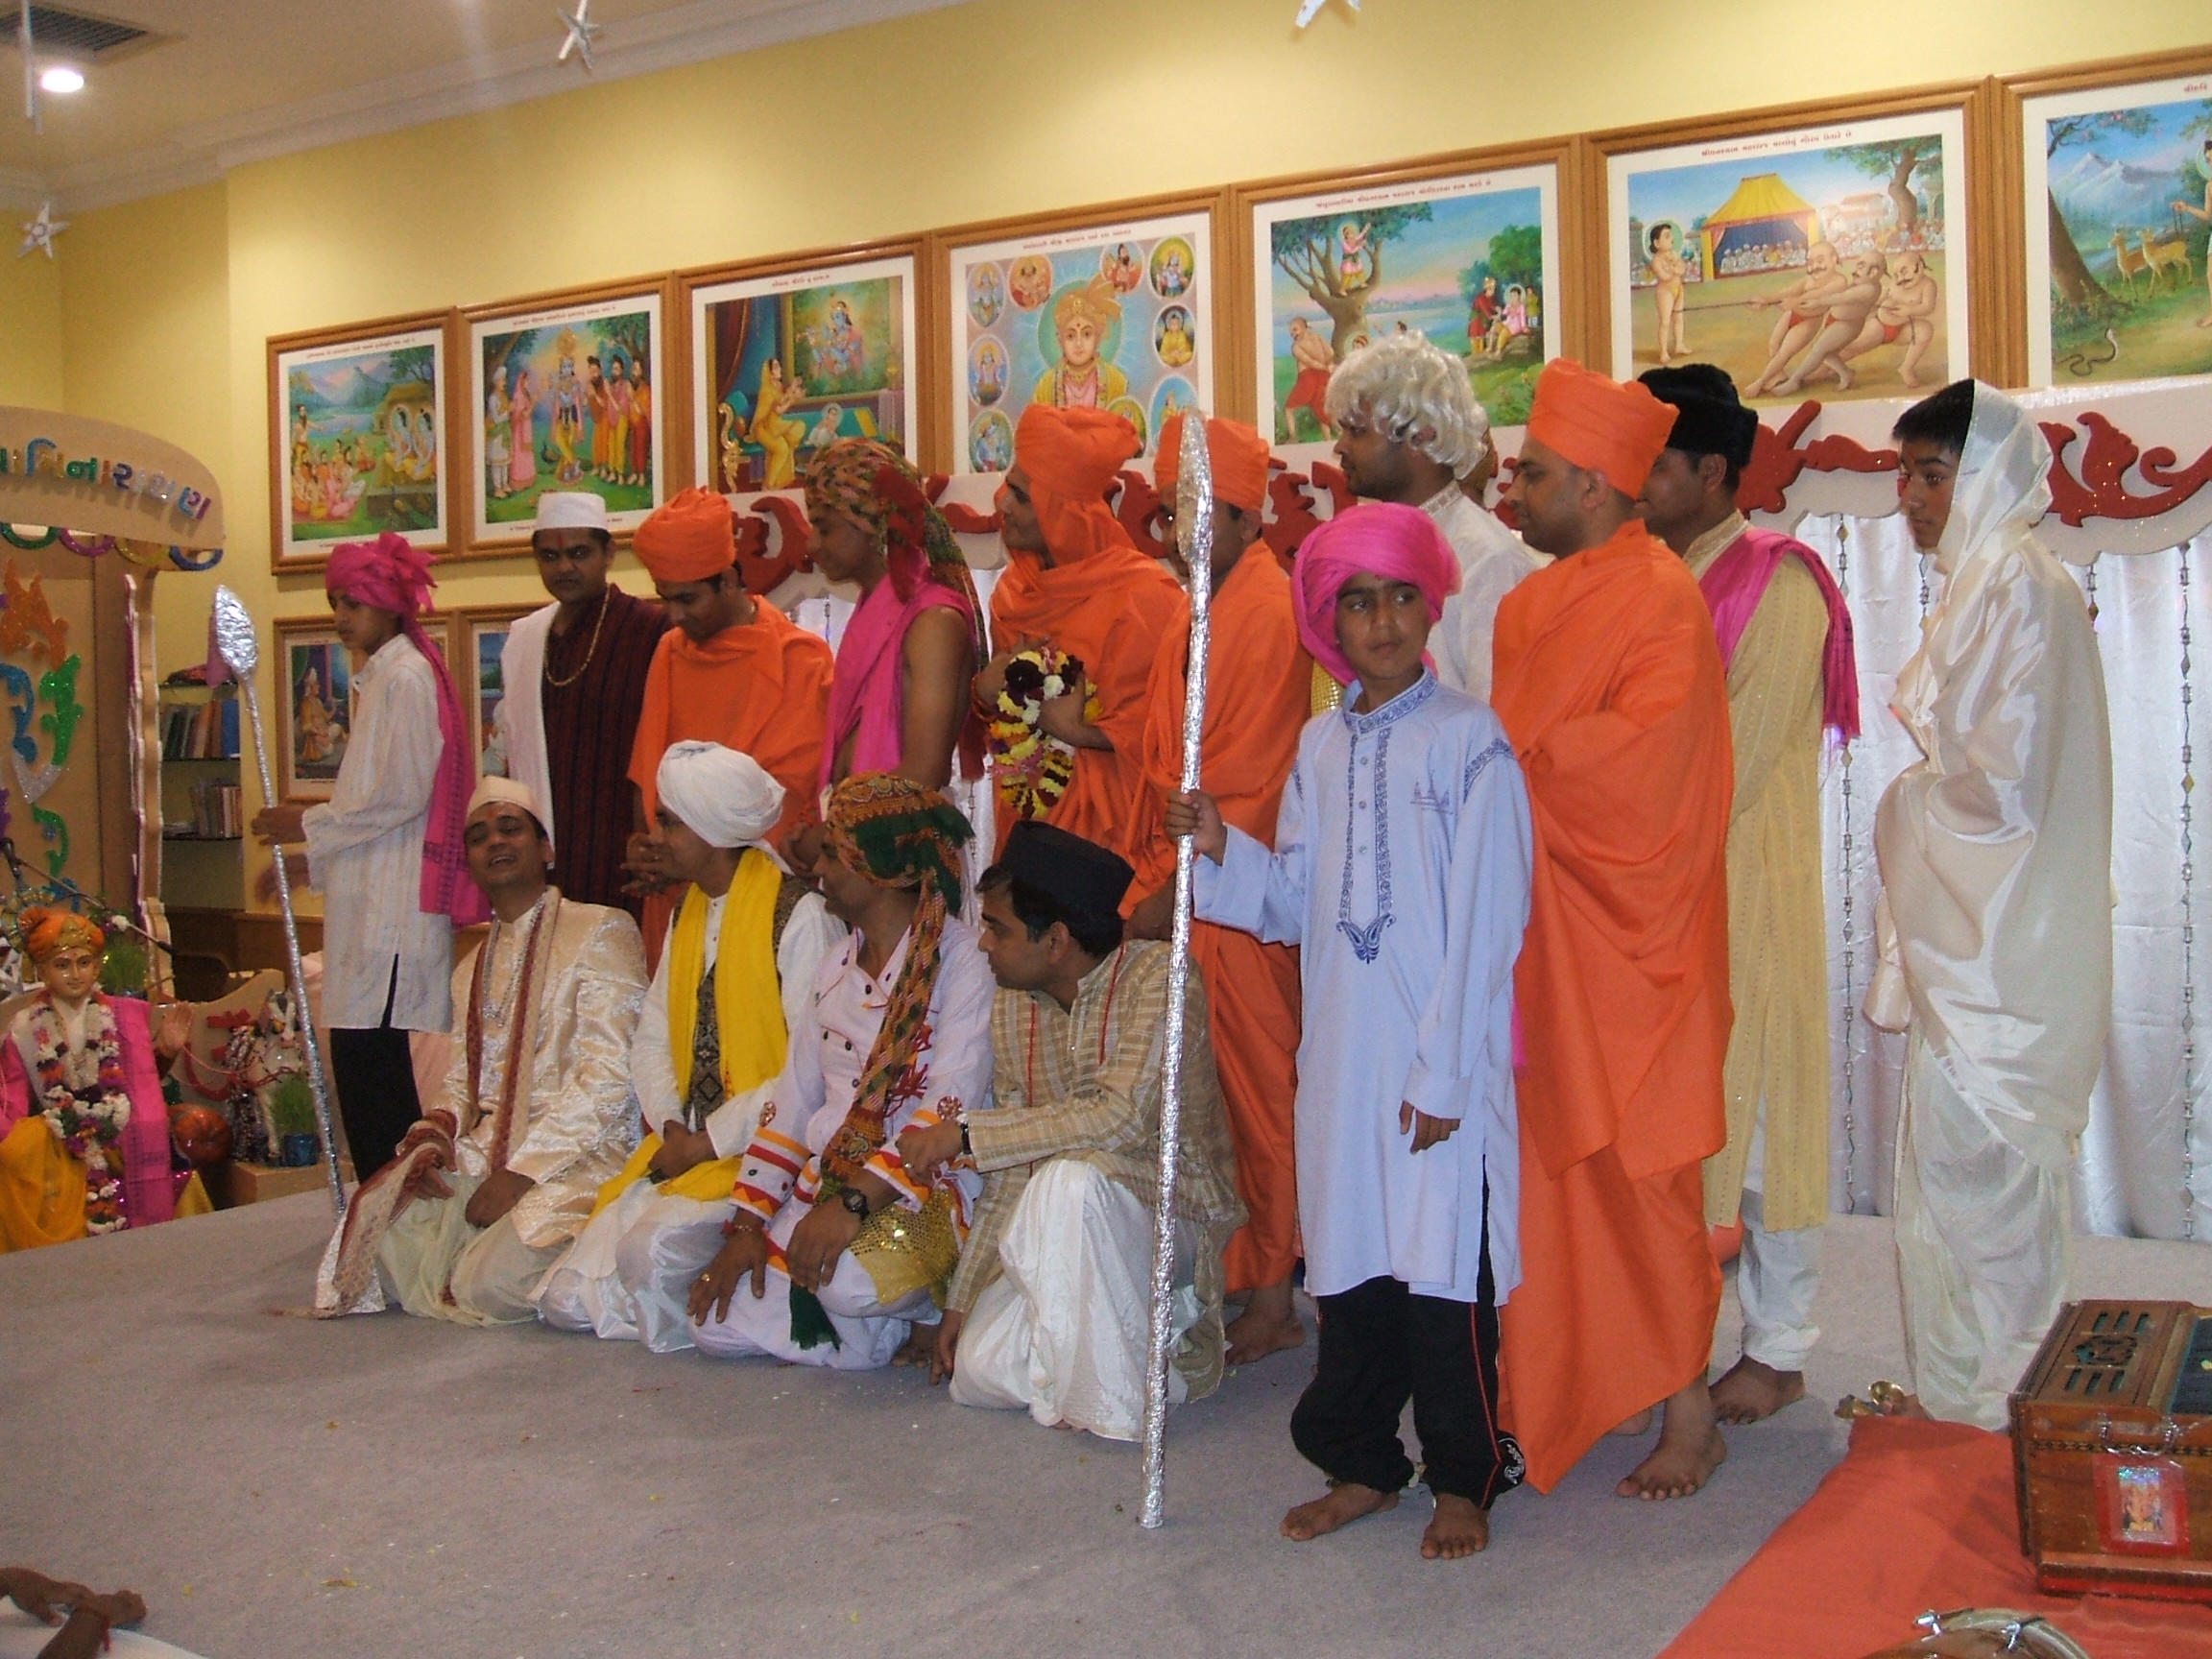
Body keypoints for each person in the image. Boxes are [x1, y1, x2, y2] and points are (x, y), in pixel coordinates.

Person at [1172, 500, 1534, 1559]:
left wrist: (1444, 1072)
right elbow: (1292, 903)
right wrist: (1217, 848)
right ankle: (1365, 1462)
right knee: (1355, 1274)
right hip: (1340, 1057)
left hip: (1437, 1058)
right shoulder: (1318, 747)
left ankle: (1464, 1477)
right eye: (1357, 601)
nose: (1380, 621)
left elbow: (1489, 920)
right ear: (1328, 618)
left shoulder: (1472, 739)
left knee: (1441, 1277)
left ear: (1433, 604)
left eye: (1400, 597)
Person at [1491, 359, 1734, 1501]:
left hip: (1640, 944)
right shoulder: (1531, 604)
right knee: (1547, 1177)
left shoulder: (1660, 595)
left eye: (1533, 473)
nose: (1515, 488)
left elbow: (1640, 769)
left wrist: (1510, 771)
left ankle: (1690, 1409)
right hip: (1543, 937)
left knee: (1646, 1180)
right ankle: (1580, 1378)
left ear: (1593, 484)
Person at [1866, 380, 2111, 1431]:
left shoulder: (2018, 583)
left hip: (2003, 933)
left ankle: (2014, 1405)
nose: (1912, 499)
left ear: (1993, 472)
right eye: (1906, 476)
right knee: (1949, 1165)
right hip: (1972, 922)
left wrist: (1905, 806)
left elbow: (2004, 791)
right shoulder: (1987, 580)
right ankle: (1965, 1396)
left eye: (1933, 473)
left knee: (1989, 1167)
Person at [1637, 365, 1860, 1426]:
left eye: (1652, 462)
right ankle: (1662, 1340)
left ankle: (1779, 1344)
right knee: (1673, 1129)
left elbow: (1747, 751)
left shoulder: (1779, 580)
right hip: (1651, 902)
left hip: (1745, 884)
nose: (1630, 481)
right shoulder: (1640, 575)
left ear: (1713, 471)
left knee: (1766, 1125)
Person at [900, 821, 1243, 1439]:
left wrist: (969, 1133)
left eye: (997, 928)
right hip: (1060, 1217)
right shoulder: (1015, 1000)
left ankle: (1115, 1402)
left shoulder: (1160, 978)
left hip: (1172, 1212)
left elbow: (1120, 1118)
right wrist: (963, 1295)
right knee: (977, 1374)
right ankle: (1134, 1358)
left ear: (1055, 939)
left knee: (1072, 1180)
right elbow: (1012, 1171)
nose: (982, 945)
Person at [537, 742, 840, 1349]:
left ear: (714, 830)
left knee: (644, 1257)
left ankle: (733, 1308)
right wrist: (675, 1127)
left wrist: (709, 1142)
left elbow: (807, 1075)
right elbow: (651, 1035)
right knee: (564, 1301)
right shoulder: (690, 912)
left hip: (764, 1157)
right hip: (684, 1146)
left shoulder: (799, 918)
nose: (657, 836)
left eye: (670, 822)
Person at [313, 778, 649, 1324]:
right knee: (377, 1235)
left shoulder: (601, 929)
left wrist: (523, 1173)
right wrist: (432, 1137)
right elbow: (462, 1084)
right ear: (468, 861)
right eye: (478, 835)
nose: (494, 841)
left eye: (510, 828)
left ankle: (606, 1263)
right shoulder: (471, 967)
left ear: (545, 850)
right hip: (489, 1150)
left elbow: (611, 1079)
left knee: (491, 1285)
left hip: (585, 1154)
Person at [685, 776, 995, 1367]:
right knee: (716, 1327)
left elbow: (947, 1108)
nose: (815, 863)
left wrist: (851, 1206)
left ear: (889, 872)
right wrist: (749, 1224)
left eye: (832, 851)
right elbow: (795, 1098)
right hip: (829, 1183)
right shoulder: (837, 962)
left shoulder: (964, 964)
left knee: (844, 1284)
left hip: (921, 1189)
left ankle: (918, 1306)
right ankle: (863, 1329)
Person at [1126, 412, 1311, 1365]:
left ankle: (1277, 1289)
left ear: (1251, 518)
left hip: (1243, 893)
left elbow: (1246, 774)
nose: (1181, 530)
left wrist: (1173, 885)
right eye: (1171, 512)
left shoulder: (1271, 613)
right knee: (1208, 1099)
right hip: (1190, 883)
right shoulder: (1200, 607)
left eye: (1201, 510)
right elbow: (1162, 759)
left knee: (1259, 1095)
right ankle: (1237, 1273)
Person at [252, 532, 476, 1180]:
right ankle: (390, 1222)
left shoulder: (405, 678)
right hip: (372, 910)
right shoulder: (384, 677)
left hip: (391, 923)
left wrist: (304, 824)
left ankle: (399, 1221)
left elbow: (399, 796)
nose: (341, 617)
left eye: (353, 602)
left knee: (377, 1091)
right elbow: (375, 817)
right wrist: (306, 861)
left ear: (389, 604)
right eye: (335, 602)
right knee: (369, 1084)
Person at [625, 487, 833, 964]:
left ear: (727, 579)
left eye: (687, 599)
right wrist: (647, 850)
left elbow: (787, 798)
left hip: (763, 901)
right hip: (677, 900)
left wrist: (688, 854)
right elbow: (645, 779)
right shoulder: (668, 653)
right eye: (664, 600)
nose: (674, 616)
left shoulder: (798, 659)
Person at [974, 405, 1185, 862]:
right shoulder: (1013, 593)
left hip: (1109, 844)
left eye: (1020, 495)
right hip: (1026, 820)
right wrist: (986, 691)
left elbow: (1171, 733)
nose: (1001, 503)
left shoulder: (1145, 596)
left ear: (1060, 514)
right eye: (1008, 486)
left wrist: (1078, 730)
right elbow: (1006, 720)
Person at [1324, 332, 1545, 704]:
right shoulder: (1372, 547)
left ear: (1419, 437)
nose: (1340, 447)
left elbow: (1500, 724)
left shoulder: (1488, 561)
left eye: (1357, 431)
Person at [489, 492, 669, 919]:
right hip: (550, 848)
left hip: (623, 847)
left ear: (609, 552)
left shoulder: (649, 629)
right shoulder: (528, 638)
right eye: (549, 556)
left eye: (578, 553)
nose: (564, 567)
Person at [804, 439, 986, 795]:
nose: (811, 545)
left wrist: (835, 832)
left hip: (904, 839)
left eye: (824, 528)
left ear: (872, 523)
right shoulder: (872, 610)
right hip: (856, 828)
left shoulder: (933, 622)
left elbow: (923, 774)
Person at [0, 910, 188, 1251]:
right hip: (59, 1138)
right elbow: (13, 1102)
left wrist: (167, 1050)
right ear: (41, 971)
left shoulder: (122, 1016)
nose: (75, 974)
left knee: (151, 1124)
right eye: (62, 965)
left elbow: (140, 1085)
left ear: (97, 967)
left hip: (119, 1129)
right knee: (15, 1152)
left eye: (84, 962)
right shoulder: (25, 1029)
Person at [1033, 277, 1130, 410]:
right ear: (1060, 341)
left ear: (1097, 338)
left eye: (1086, 334)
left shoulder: (1115, 381)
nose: (1078, 343)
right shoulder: (1046, 385)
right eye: (1071, 336)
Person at [1283, 317, 1337, 442]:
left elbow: (1310, 361)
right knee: (1321, 410)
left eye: (1295, 329)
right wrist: (1328, 366)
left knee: (1288, 408)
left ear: (1303, 327)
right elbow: (1330, 353)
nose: (1292, 333)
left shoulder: (1297, 346)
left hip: (1308, 379)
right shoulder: (1317, 337)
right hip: (1324, 376)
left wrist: (1326, 366)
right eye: (1291, 331)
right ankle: (1328, 440)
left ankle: (1293, 436)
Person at [1647, 224, 1689, 366]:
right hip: (1665, 292)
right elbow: (1664, 276)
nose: (1671, 238)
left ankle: (1679, 344)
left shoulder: (1674, 254)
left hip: (1678, 289)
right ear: (1657, 243)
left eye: (1671, 235)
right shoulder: (1656, 260)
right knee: (1665, 322)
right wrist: (1673, 268)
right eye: (1666, 236)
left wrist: (1675, 268)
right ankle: (1664, 352)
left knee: (1678, 317)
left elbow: (1682, 269)